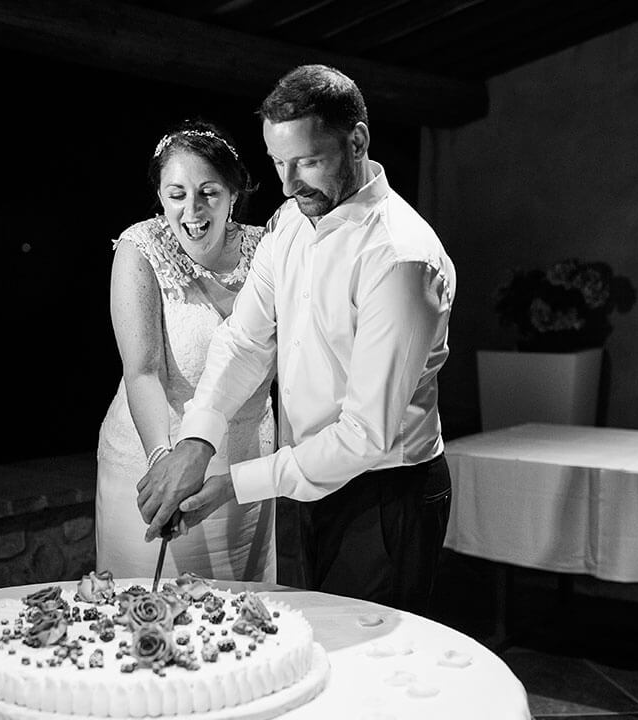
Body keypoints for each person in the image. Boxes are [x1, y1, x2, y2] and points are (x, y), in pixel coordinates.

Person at [136, 65, 456, 613]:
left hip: (383, 496)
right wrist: (197, 440)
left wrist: (234, 484)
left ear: (357, 141)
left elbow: (364, 435)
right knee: (312, 653)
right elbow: (245, 340)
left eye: (307, 161)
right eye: (278, 163)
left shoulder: (401, 257)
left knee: (373, 675)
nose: (287, 184)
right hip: (302, 485)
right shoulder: (290, 222)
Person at [96, 119, 277, 582]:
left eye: (208, 193)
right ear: (160, 197)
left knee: (245, 622)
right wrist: (164, 463)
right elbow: (143, 371)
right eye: (176, 194)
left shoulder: (271, 252)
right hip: (155, 460)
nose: (192, 210)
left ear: (234, 193)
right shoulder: (140, 249)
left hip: (243, 472)